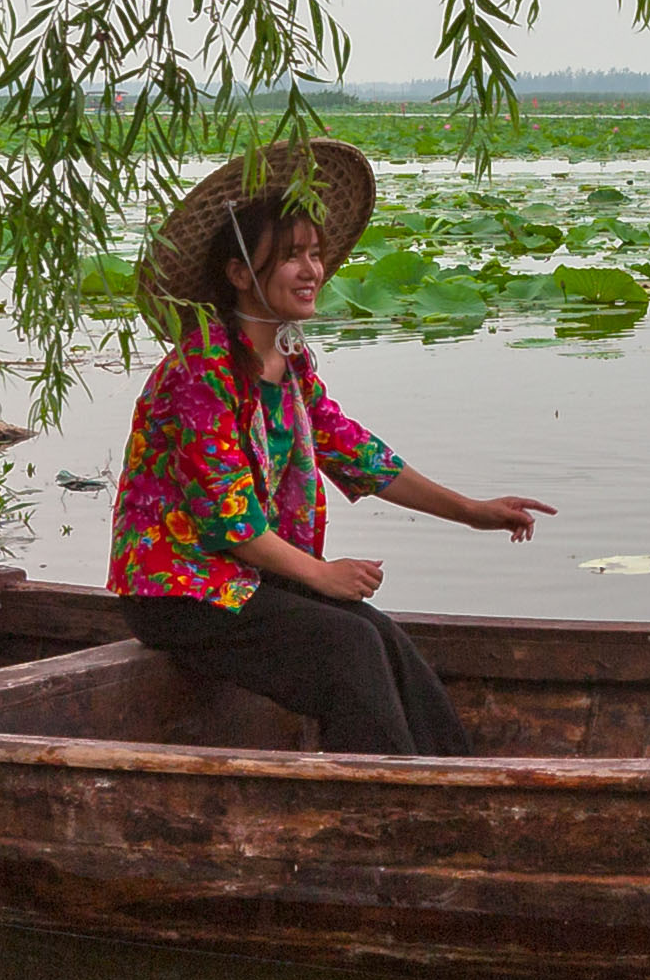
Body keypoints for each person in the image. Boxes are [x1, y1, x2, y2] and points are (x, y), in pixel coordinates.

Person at [107, 139, 550, 755]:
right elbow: (231, 523)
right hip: (178, 593)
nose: (311, 270)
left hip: (243, 581)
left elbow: (356, 452)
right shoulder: (199, 371)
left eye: (314, 255)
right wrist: (321, 574)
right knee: (348, 643)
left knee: (378, 635)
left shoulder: (288, 364)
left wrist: (473, 512)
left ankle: (453, 784)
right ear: (239, 274)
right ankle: (377, 808)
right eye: (291, 257)